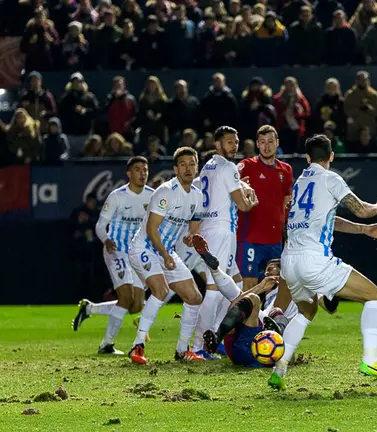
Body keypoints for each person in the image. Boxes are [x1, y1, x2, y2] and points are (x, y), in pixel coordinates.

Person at [267, 134, 377, 390]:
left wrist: (364, 230)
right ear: (331, 156)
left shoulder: (300, 182)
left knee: (307, 311)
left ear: (307, 158)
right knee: (376, 297)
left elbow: (329, 220)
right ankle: (371, 360)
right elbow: (361, 209)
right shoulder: (331, 178)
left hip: (289, 262)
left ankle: (280, 368)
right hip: (314, 260)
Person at [127, 147, 206, 364]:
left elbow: (195, 225)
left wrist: (191, 236)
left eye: (192, 164)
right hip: (144, 248)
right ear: (175, 169)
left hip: (166, 252)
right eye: (183, 165)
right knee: (160, 290)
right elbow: (152, 229)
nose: (188, 168)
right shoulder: (165, 192)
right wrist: (165, 255)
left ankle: (182, 350)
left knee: (194, 297)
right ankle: (137, 346)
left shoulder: (198, 196)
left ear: (197, 167)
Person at [72, 157, 154, 355]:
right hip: (116, 250)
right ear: (129, 173)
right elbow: (100, 225)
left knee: (136, 305)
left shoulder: (152, 196)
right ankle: (106, 345)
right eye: (137, 169)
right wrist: (106, 240)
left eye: (145, 169)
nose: (142, 173)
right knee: (125, 297)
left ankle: (89, 309)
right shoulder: (117, 196)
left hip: (137, 252)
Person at [190, 126, 259, 359]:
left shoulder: (208, 166)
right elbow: (242, 205)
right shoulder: (228, 167)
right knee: (213, 289)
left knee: (232, 283)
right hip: (221, 230)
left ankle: (215, 338)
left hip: (211, 228)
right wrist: (251, 200)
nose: (234, 145)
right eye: (229, 142)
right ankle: (199, 345)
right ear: (217, 144)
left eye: (236, 141)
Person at [236, 125, 293, 292]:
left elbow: (286, 202)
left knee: (274, 286)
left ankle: (265, 317)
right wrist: (239, 185)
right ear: (257, 144)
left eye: (270, 141)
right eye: (262, 142)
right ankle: (246, 318)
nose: (266, 146)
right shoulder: (245, 166)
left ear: (277, 143)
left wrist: (287, 231)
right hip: (250, 238)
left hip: (275, 240)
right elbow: (228, 185)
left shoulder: (286, 170)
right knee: (249, 285)